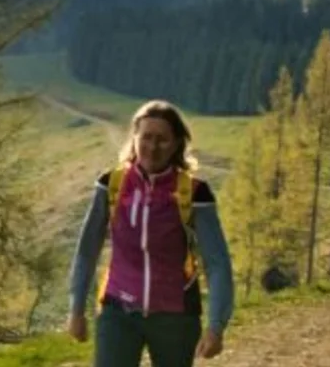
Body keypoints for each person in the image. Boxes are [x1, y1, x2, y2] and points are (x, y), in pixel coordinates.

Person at [66, 99, 235, 366]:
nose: (152, 148)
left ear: (178, 143)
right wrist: (76, 309)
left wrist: (216, 326)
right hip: (118, 311)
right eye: (146, 137)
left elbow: (217, 264)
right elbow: (87, 250)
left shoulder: (194, 193)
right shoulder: (110, 184)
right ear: (134, 138)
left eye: (162, 140)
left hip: (176, 317)